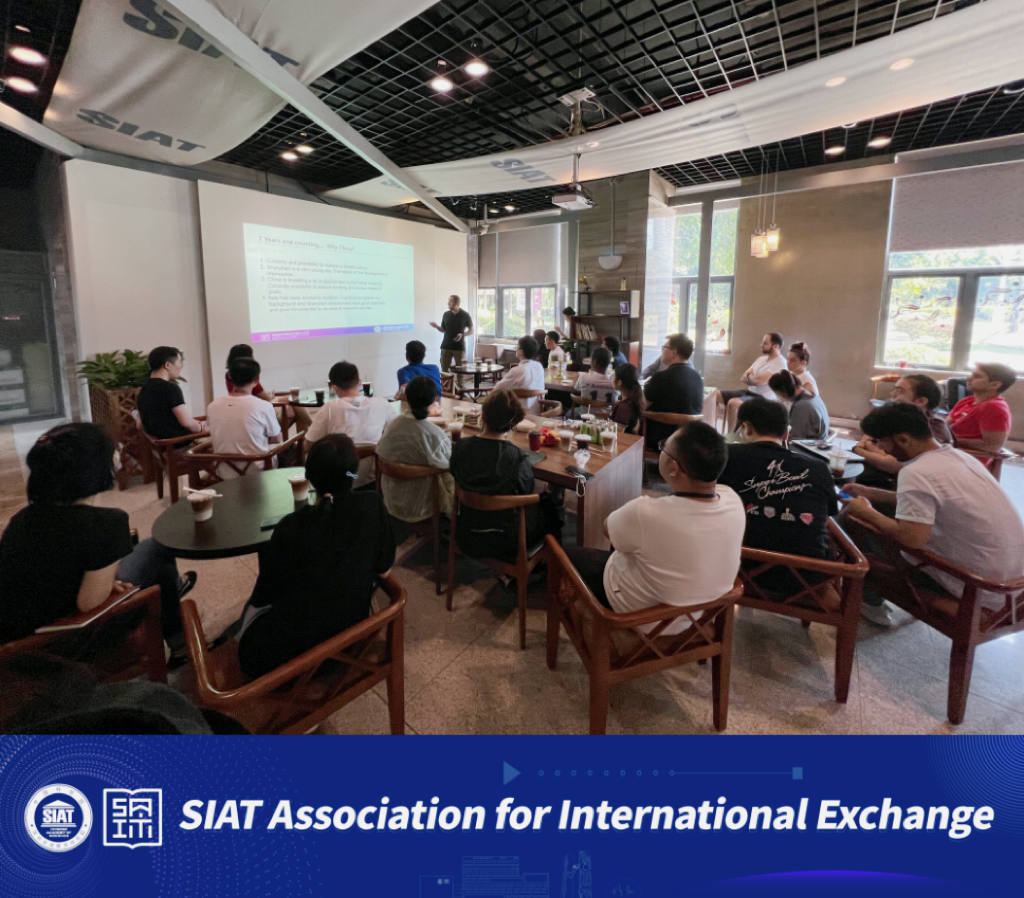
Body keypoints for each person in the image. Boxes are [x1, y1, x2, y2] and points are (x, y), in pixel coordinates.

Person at [0, 423, 196, 664]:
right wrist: (109, 582)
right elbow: (89, 604)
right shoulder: (106, 524)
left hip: (16, 642)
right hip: (66, 644)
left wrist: (104, 579)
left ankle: (173, 605)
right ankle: (176, 623)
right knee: (158, 553)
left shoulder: (21, 520)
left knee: (156, 561)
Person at [843, 403, 1024, 627]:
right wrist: (872, 494)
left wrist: (867, 512)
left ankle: (872, 603)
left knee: (854, 524)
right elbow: (935, 501)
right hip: (1014, 586)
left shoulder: (916, 472)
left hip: (979, 588)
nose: (881, 448)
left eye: (881, 442)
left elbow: (912, 539)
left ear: (903, 439)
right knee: (880, 513)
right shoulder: (958, 457)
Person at [236, 435, 396, 679]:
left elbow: (265, 595)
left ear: (308, 477)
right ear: (353, 473)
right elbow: (384, 567)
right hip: (351, 637)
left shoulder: (289, 527)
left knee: (248, 625)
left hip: (290, 659)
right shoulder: (373, 505)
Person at [564, 422, 743, 633]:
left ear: (674, 468)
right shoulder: (732, 500)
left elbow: (607, 529)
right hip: (698, 617)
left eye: (664, 447)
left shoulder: (646, 512)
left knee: (568, 556)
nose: (661, 451)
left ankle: (577, 628)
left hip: (643, 620)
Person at [718, 399, 837, 589]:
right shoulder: (819, 468)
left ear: (746, 428)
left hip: (737, 570)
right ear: (786, 433)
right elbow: (827, 516)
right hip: (806, 580)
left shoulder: (724, 456)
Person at [449, 391, 562, 562]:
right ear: (514, 423)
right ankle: (553, 564)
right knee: (551, 506)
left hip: (465, 533)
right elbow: (526, 494)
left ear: (483, 415)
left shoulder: (460, 447)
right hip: (506, 543)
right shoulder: (517, 458)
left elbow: (455, 472)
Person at [303, 361, 398, 487]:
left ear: (334, 387)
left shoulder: (329, 408)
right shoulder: (382, 404)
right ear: (359, 382)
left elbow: (308, 445)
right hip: (374, 478)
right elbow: (399, 432)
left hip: (341, 480)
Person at [376, 375, 455, 523]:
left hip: (391, 500)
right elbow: (449, 465)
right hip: (422, 504)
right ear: (433, 401)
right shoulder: (433, 434)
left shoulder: (392, 425)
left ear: (406, 398)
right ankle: (454, 520)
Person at [853, 374, 953, 489]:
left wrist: (859, 450)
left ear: (921, 401)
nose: (892, 394)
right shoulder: (902, 420)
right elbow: (871, 441)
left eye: (899, 391)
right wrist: (873, 448)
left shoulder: (933, 428)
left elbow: (894, 464)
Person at [205, 357, 282, 478]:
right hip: (258, 472)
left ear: (230, 377)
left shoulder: (212, 406)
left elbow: (211, 432)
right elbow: (277, 439)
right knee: (290, 450)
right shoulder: (264, 406)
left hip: (223, 473)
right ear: (257, 379)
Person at [642, 333, 704, 451]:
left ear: (673, 352)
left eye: (664, 347)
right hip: (689, 439)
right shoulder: (697, 378)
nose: (662, 351)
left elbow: (642, 405)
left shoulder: (660, 377)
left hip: (660, 439)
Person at [717, 332, 787, 432]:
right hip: (750, 391)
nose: (761, 345)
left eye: (765, 343)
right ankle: (714, 430)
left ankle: (731, 436)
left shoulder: (780, 363)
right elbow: (743, 377)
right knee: (716, 395)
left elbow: (759, 381)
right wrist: (752, 378)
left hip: (764, 397)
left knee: (734, 403)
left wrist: (751, 377)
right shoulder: (761, 359)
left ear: (775, 346)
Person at [136, 346, 203, 440]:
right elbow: (186, 423)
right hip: (178, 443)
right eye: (180, 362)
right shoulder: (170, 388)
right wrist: (202, 427)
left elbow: (140, 424)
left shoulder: (143, 388)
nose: (181, 366)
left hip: (160, 444)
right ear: (167, 365)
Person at [947, 362, 1016, 453]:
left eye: (977, 376)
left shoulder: (993, 407)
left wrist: (948, 439)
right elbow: (944, 426)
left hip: (966, 457)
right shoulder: (967, 401)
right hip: (948, 450)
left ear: (995, 385)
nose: (969, 378)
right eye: (972, 375)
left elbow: (992, 446)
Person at [768, 369, 829, 441]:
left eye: (777, 394)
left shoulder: (801, 407)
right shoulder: (813, 397)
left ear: (782, 392)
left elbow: (795, 440)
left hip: (809, 446)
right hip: (816, 442)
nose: (779, 398)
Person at [492, 335, 546, 412]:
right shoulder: (539, 366)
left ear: (521, 351)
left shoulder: (516, 371)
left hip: (518, 412)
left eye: (517, 346)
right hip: (538, 411)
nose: (516, 348)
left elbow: (497, 389)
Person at [430, 294, 473, 378]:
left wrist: (462, 334)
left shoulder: (465, 315)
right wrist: (436, 326)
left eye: (450, 301)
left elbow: (471, 330)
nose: (448, 303)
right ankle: (446, 386)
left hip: (459, 347)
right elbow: (443, 329)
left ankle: (460, 385)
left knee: (460, 370)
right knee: (444, 370)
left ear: (456, 303)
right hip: (446, 346)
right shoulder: (446, 314)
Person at [611, 364, 643, 434]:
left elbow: (618, 434)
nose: (612, 380)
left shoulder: (624, 407)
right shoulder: (633, 400)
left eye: (613, 377)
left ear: (619, 383)